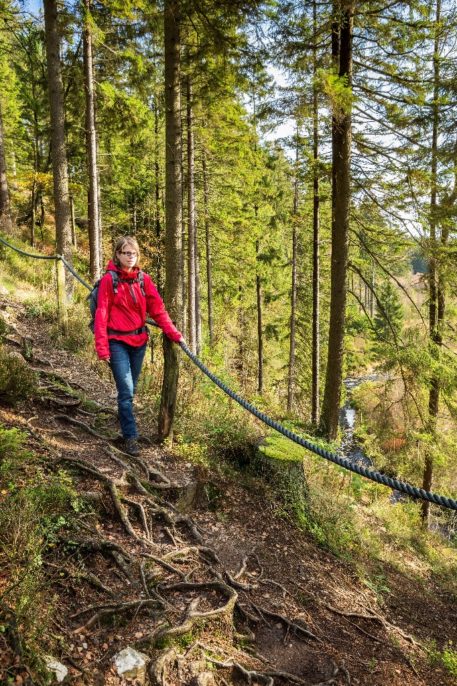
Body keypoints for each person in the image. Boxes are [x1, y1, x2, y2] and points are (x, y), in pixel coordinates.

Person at [94, 236, 183, 456]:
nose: (130, 257)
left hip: (139, 342)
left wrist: (174, 334)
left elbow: (157, 309)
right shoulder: (109, 280)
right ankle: (130, 437)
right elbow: (101, 313)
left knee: (130, 391)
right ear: (117, 255)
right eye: (126, 253)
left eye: (133, 253)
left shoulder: (144, 280)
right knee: (126, 392)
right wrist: (102, 347)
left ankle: (125, 421)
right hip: (117, 342)